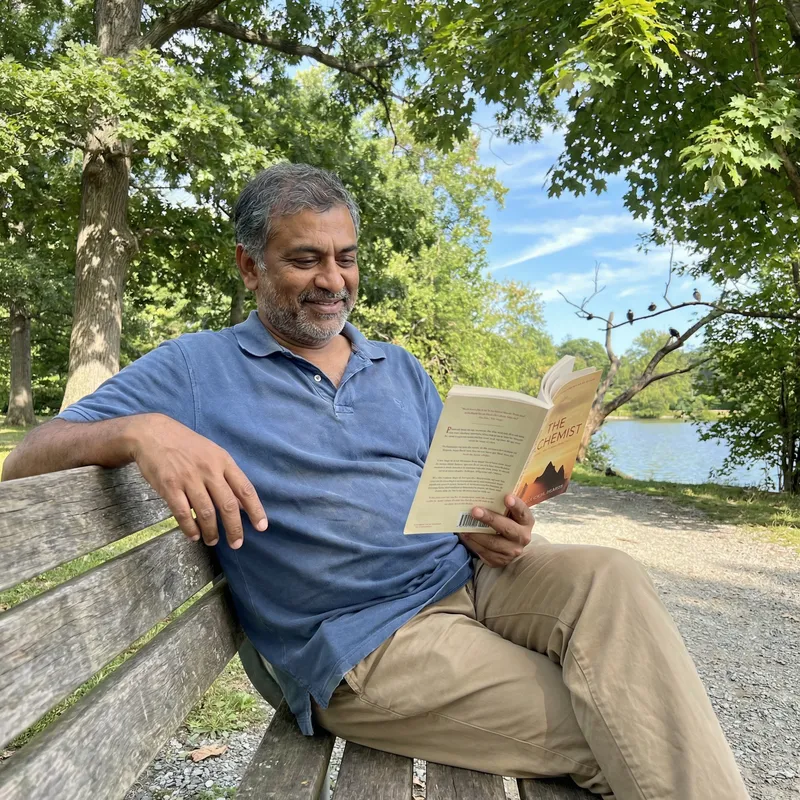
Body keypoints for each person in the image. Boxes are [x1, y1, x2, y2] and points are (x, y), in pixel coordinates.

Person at [3, 164, 749, 800]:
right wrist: (142, 431)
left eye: (347, 257)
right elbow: (29, 453)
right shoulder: (196, 370)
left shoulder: (397, 366)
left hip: (472, 578)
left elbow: (449, 493)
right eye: (305, 260)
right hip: (367, 641)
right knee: (629, 722)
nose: (333, 281)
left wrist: (498, 520)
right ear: (248, 265)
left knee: (609, 577)